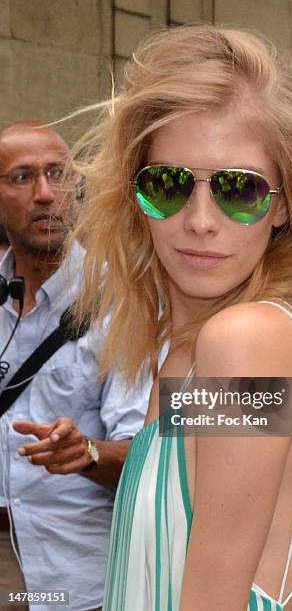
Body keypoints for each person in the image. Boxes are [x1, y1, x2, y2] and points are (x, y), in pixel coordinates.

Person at [69, 25, 292, 611]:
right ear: (135, 197)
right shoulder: (195, 349)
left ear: (283, 206)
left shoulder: (245, 340)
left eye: (239, 189)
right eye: (168, 184)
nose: (200, 219)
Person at [0, 122, 149, 611]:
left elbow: (146, 458)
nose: (46, 194)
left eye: (59, 175)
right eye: (22, 177)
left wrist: (84, 452)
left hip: (73, 573)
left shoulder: (123, 304)